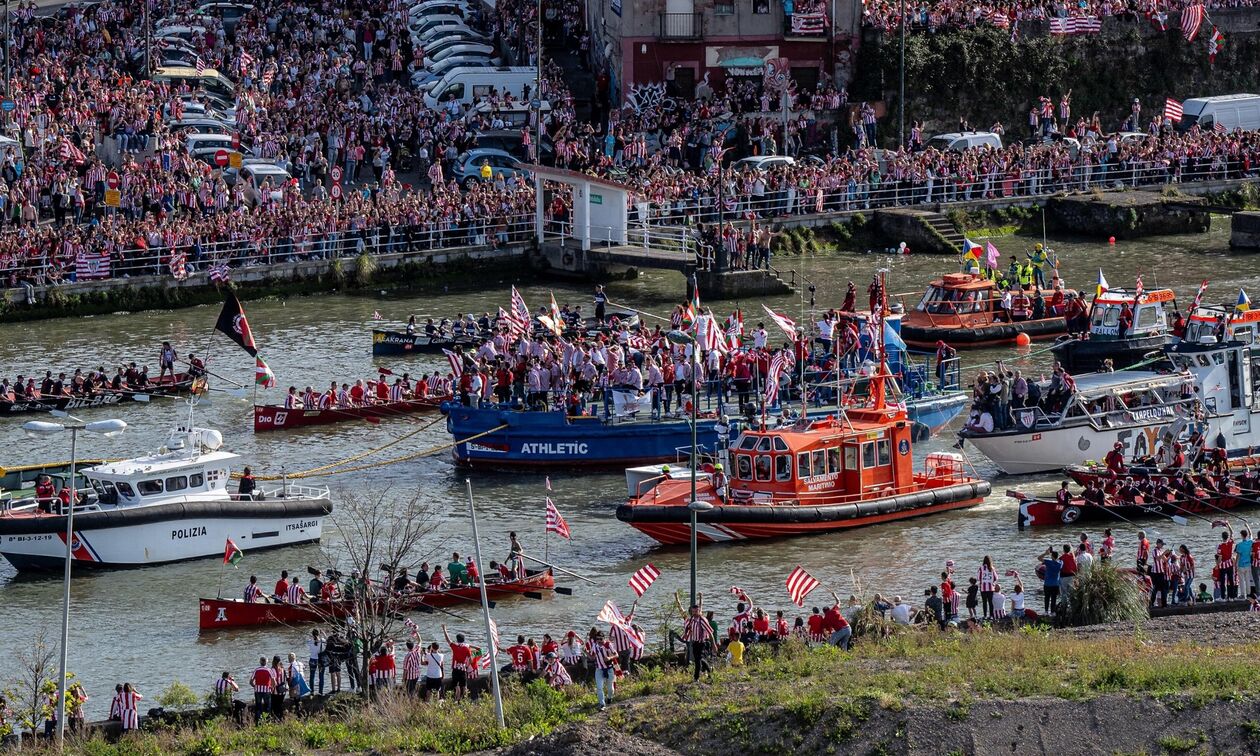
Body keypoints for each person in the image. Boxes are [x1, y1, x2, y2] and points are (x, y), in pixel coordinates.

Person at [681, 594, 716, 682]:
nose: (694, 613)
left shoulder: (703, 620)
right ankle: (709, 670)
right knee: (699, 659)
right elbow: (688, 627)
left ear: (699, 611)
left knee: (697, 660)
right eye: (693, 612)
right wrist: (686, 635)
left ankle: (696, 678)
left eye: (696, 612)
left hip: (702, 642)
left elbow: (710, 632)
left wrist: (714, 645)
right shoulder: (692, 619)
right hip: (695, 642)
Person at [441, 625, 472, 701]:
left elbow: (448, 640)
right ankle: (464, 699)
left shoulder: (455, 646)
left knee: (456, 684)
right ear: (463, 640)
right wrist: (467, 666)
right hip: (463, 668)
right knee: (464, 685)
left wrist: (445, 630)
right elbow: (470, 659)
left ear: (457, 640)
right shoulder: (467, 648)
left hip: (455, 668)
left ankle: (457, 697)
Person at [591, 631, 617, 710]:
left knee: (610, 688)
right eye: (597, 639)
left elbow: (616, 654)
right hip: (599, 669)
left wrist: (609, 658)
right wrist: (585, 652)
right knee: (599, 687)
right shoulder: (594, 646)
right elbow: (593, 657)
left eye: (600, 639)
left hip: (609, 668)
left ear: (604, 638)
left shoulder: (608, 645)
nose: (599, 641)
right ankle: (602, 704)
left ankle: (609, 697)